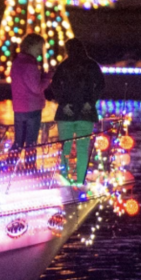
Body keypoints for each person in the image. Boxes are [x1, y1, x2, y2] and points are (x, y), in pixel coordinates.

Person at [51, 38, 105, 186]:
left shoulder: (64, 66)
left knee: (65, 148)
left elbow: (54, 85)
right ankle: (80, 182)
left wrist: (63, 102)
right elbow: (101, 84)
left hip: (66, 112)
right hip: (85, 113)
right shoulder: (92, 65)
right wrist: (91, 101)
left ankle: (64, 180)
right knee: (82, 149)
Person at [10, 33, 53, 149]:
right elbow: (37, 88)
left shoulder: (16, 62)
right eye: (39, 48)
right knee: (31, 143)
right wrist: (47, 78)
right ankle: (30, 166)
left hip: (18, 108)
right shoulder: (30, 64)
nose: (40, 52)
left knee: (18, 142)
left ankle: (9, 165)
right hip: (32, 108)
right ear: (31, 46)